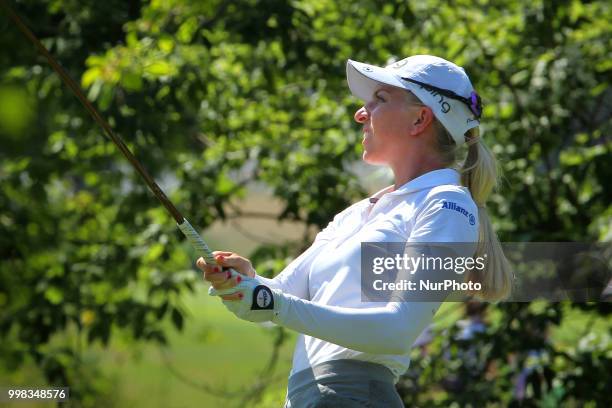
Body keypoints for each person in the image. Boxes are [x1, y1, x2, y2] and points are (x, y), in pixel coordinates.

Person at [196, 55, 513, 407]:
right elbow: (279, 297)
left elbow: (397, 330)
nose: (360, 114)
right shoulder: (358, 213)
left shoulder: (448, 206)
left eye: (379, 100)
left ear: (420, 118)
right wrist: (245, 283)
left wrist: (272, 303)